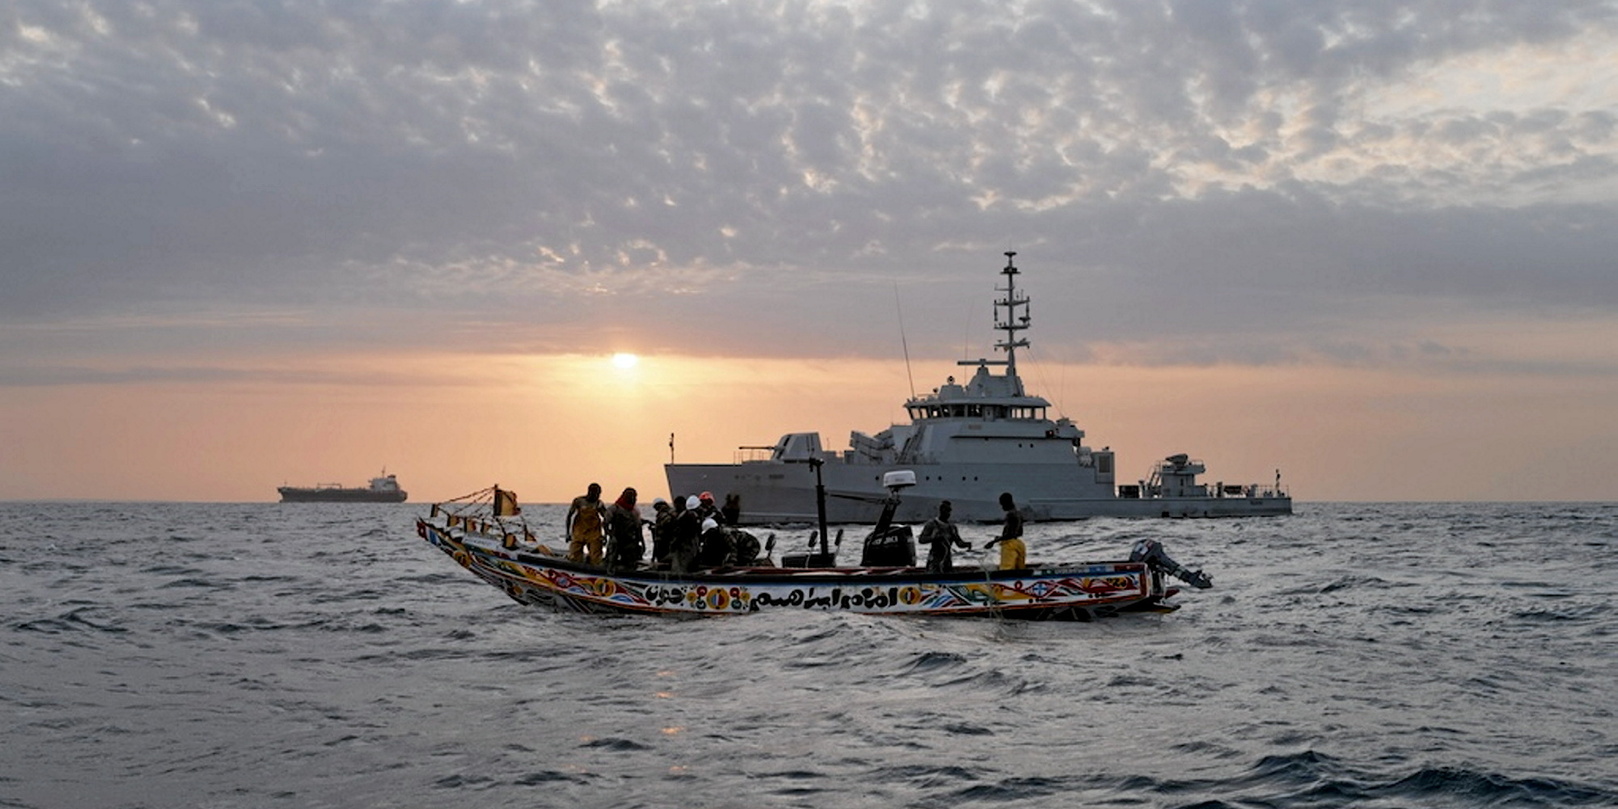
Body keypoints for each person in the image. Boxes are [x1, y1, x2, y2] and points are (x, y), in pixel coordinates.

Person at [918, 500, 971, 573]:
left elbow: (959, 543)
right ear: (941, 510)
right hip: (935, 560)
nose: (948, 514)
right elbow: (921, 540)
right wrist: (934, 538)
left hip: (947, 560)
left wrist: (966, 544)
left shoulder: (952, 527)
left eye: (949, 511)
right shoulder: (932, 524)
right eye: (947, 511)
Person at [603, 487, 645, 572]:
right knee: (610, 561)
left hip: (630, 541)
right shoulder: (614, 509)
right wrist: (610, 536)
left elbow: (638, 527)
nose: (633, 498)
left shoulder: (635, 511)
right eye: (630, 496)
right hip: (617, 540)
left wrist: (641, 541)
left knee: (632, 562)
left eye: (634, 496)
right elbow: (605, 523)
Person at [982, 492, 1025, 570]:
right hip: (1019, 544)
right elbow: (1019, 532)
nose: (1002, 507)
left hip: (1009, 545)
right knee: (1019, 569)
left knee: (1006, 569)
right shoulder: (1019, 514)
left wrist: (993, 541)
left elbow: (1009, 535)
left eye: (1002, 504)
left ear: (1007, 503)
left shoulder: (1010, 515)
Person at [565, 482, 606, 565]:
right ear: (589, 492)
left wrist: (605, 534)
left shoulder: (599, 504)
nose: (597, 496)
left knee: (596, 559)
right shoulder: (579, 501)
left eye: (599, 494)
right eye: (596, 493)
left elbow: (606, 518)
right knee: (575, 557)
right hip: (579, 532)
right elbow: (569, 516)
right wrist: (567, 533)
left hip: (594, 533)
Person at [669, 495, 703, 574]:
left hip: (685, 547)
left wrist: (674, 544)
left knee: (680, 567)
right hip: (692, 546)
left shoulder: (686, 517)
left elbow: (681, 533)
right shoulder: (696, 517)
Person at [649, 498, 674, 566]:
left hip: (664, 543)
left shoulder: (662, 515)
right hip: (673, 543)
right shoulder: (673, 512)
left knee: (663, 562)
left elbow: (659, 532)